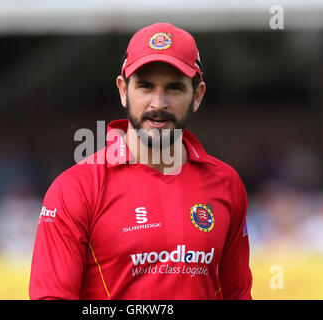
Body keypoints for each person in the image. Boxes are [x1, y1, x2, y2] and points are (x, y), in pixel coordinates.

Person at [29, 22, 252, 300]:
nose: (158, 103)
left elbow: (237, 294)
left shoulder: (227, 184)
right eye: (145, 86)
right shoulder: (76, 189)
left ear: (197, 96)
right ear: (123, 90)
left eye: (174, 88)